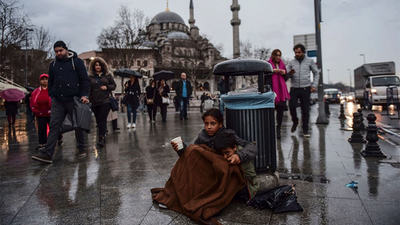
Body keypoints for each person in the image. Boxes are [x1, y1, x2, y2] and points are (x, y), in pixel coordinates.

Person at [171, 108, 259, 200]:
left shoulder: (228, 135)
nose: (209, 127)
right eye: (206, 123)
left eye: (213, 123)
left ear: (220, 124)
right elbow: (194, 155)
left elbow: (251, 146)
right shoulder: (202, 136)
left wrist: (239, 156)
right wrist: (181, 149)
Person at [31, 40, 90, 163]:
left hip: (73, 98)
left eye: (60, 50)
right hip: (58, 100)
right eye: (56, 51)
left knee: (78, 124)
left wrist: (84, 95)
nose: (58, 53)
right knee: (54, 126)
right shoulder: (53, 65)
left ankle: (81, 148)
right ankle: (48, 153)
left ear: (66, 49)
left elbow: (84, 79)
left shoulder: (76, 62)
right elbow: (51, 81)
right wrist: (52, 94)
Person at [286, 43, 319, 138]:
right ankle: (295, 121)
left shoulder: (309, 61)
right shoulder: (291, 62)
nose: (297, 54)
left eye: (299, 52)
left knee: (305, 110)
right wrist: (289, 73)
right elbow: (286, 73)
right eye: (295, 52)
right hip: (294, 88)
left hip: (306, 88)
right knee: (291, 106)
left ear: (303, 52)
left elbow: (316, 73)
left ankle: (305, 129)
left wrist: (314, 85)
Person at [30, 74, 63, 150]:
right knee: (42, 128)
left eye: (46, 79)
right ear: (40, 81)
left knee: (54, 127)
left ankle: (59, 137)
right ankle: (42, 143)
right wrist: (35, 110)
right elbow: (32, 102)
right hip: (40, 113)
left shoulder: (52, 90)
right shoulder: (36, 92)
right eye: (43, 79)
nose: (44, 81)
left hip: (51, 112)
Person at [88, 57, 116, 146]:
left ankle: (101, 137)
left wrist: (107, 87)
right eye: (96, 65)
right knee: (98, 120)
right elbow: (88, 88)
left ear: (102, 66)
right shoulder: (90, 77)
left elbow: (113, 85)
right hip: (94, 101)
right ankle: (101, 134)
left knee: (102, 119)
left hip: (105, 100)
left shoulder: (107, 76)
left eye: (99, 65)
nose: (98, 67)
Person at [267, 49, 290, 139]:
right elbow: (264, 76)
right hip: (272, 92)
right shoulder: (268, 64)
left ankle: (278, 129)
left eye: (279, 55)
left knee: (280, 113)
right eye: (276, 55)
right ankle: (270, 129)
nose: (278, 57)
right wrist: (272, 71)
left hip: (281, 93)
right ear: (273, 55)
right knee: (270, 113)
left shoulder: (283, 65)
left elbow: (286, 78)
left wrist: (284, 73)